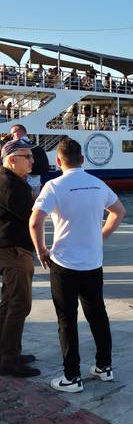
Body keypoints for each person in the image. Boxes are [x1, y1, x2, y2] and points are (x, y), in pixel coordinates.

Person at [29, 138, 126, 393]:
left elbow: (34, 222)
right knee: (98, 315)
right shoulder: (97, 184)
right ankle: (104, 367)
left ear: (58, 161)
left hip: (64, 264)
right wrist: (101, 236)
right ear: (82, 160)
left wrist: (41, 251)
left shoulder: (54, 186)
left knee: (67, 320)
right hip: (93, 263)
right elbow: (119, 212)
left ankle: (72, 377)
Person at [0, 139, 40, 377]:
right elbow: (30, 215)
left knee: (8, 304)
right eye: (28, 157)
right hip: (14, 251)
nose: (32, 161)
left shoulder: (10, 180)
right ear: (12, 160)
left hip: (9, 249)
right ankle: (8, 360)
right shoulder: (11, 184)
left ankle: (7, 351)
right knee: (19, 305)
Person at [10, 124, 50, 198]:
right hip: (37, 183)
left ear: (18, 132)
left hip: (22, 183)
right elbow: (45, 166)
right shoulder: (37, 147)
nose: (12, 136)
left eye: (12, 134)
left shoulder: (16, 147)